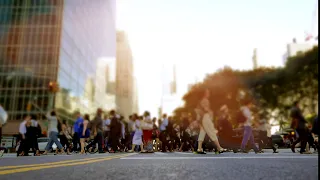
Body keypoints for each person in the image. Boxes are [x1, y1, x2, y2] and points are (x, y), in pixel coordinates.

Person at [195, 89, 225, 154]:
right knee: (211, 131)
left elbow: (198, 111)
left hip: (203, 118)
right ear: (204, 93)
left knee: (202, 132)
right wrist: (210, 112)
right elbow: (205, 109)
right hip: (206, 117)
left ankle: (199, 148)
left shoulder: (201, 101)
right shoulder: (205, 100)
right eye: (207, 92)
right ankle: (219, 148)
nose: (209, 93)